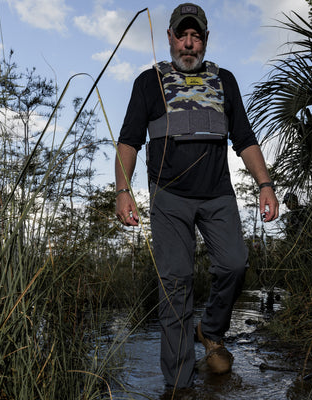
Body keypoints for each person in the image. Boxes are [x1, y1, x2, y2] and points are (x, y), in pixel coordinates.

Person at [115, 3, 279, 389]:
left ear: (205, 39)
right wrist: (123, 191)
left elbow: (245, 139)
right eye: (182, 35)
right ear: (170, 37)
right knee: (175, 285)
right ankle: (180, 386)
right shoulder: (148, 82)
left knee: (235, 264)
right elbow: (128, 142)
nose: (189, 44)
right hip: (168, 196)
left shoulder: (225, 80)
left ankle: (210, 329)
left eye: (196, 36)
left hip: (217, 193)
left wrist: (265, 183)